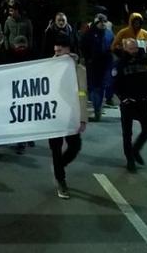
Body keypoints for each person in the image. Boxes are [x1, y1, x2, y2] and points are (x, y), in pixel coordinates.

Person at [48, 30, 87, 199]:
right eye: (55, 51)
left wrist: (83, 118)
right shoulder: (48, 67)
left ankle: (59, 167)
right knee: (55, 149)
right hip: (54, 115)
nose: (56, 54)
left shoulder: (79, 69)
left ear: (68, 50)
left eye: (60, 51)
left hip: (71, 115)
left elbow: (83, 94)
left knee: (75, 146)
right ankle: (61, 181)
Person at [114, 38, 147, 172]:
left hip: (143, 101)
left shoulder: (143, 60)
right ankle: (130, 159)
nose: (134, 51)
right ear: (125, 49)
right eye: (131, 48)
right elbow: (115, 83)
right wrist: (123, 99)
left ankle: (135, 150)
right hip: (128, 103)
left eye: (135, 48)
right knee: (127, 133)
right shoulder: (120, 64)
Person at [82, 14, 114, 122]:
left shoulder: (109, 34)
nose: (103, 24)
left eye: (105, 22)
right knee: (94, 88)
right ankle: (96, 110)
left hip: (105, 64)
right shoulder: (89, 34)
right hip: (93, 65)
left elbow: (112, 47)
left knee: (101, 87)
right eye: (101, 22)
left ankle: (98, 109)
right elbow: (84, 47)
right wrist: (88, 59)